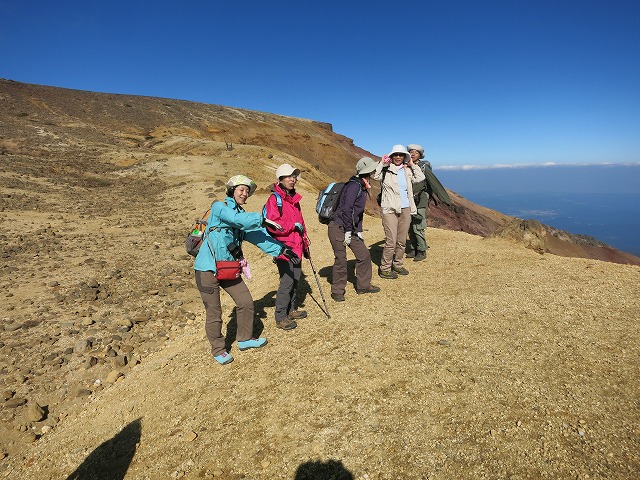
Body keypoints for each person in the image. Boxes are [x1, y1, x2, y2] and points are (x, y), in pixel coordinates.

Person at [194, 175, 297, 365]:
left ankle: (245, 339)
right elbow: (235, 219)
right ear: (231, 191)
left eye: (247, 190)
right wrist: (261, 218)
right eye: (241, 189)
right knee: (214, 312)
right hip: (206, 269)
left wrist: (282, 250)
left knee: (246, 302)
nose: (245, 193)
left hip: (227, 268)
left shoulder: (243, 219)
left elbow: (259, 238)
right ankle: (218, 349)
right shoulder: (219, 208)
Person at [327, 157, 381, 301]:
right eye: (372, 169)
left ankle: (363, 285)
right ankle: (337, 290)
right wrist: (349, 231)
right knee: (341, 259)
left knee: (364, 255)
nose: (374, 171)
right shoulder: (354, 186)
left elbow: (357, 212)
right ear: (367, 171)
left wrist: (359, 230)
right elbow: (346, 210)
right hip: (338, 227)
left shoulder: (361, 185)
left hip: (350, 228)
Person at [264, 163, 308, 330]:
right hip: (284, 248)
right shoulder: (274, 199)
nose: (292, 179)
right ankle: (280, 316)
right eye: (288, 176)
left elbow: (301, 223)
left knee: (296, 279)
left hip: (296, 246)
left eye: (294, 176)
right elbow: (272, 224)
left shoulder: (294, 200)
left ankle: (291, 309)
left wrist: (305, 243)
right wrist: (293, 226)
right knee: (287, 281)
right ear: (280, 179)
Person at [373, 144, 425, 279]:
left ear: (404, 157)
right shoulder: (386, 170)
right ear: (391, 156)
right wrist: (381, 163)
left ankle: (398, 264)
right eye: (395, 155)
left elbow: (420, 178)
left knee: (401, 240)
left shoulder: (407, 170)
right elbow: (375, 176)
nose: (397, 157)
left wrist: (413, 165)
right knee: (391, 240)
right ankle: (385, 268)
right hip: (389, 209)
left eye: (401, 155)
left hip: (405, 208)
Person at [405, 144, 432, 261]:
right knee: (409, 226)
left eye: (416, 152)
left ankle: (421, 250)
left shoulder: (424, 167)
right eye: (411, 152)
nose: (413, 154)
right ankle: (413, 248)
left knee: (418, 226)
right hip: (407, 200)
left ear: (420, 155)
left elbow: (430, 183)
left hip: (420, 200)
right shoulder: (404, 166)